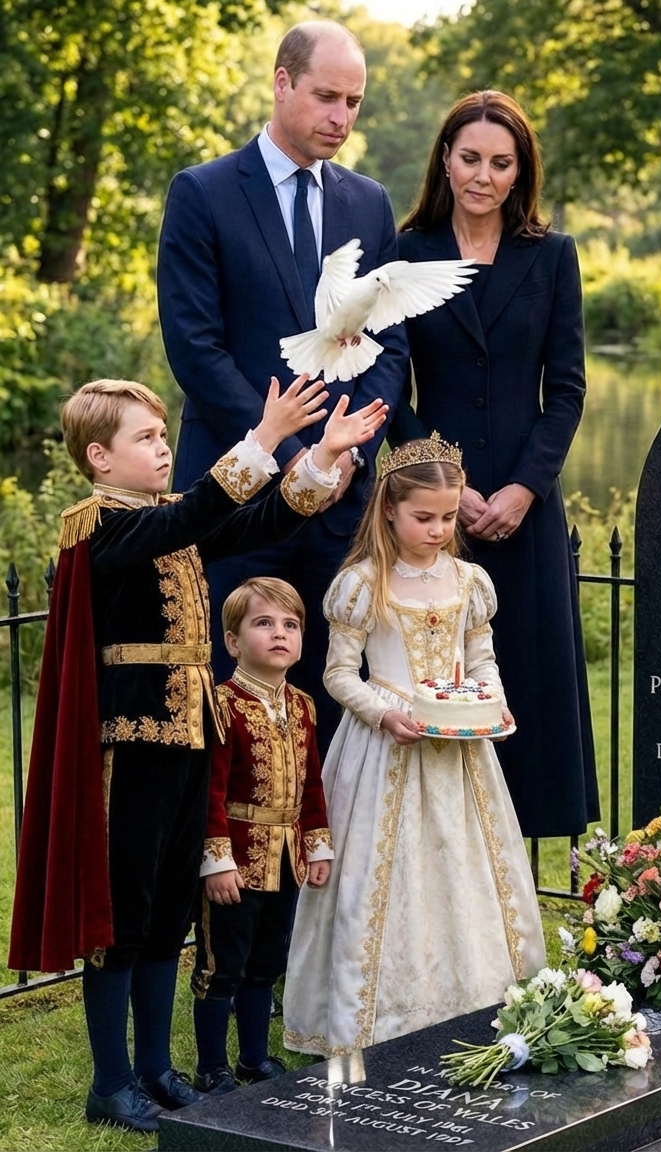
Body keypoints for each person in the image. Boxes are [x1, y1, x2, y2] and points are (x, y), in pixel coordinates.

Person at [7, 376, 387, 1134]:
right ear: (99, 457)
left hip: (188, 741)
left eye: (162, 434)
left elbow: (255, 521)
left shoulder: (166, 520)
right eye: (145, 438)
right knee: (123, 918)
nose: (162, 448)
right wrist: (264, 437)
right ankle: (111, 1084)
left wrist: (320, 459)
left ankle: (156, 1070)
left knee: (165, 916)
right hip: (131, 749)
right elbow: (199, 511)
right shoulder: (99, 525)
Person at [157, 18, 408, 752]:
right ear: (281, 82)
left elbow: (390, 344)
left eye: (354, 102)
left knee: (336, 700)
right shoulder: (203, 192)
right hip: (235, 496)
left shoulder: (370, 202)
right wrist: (299, 456)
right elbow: (196, 349)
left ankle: (327, 832)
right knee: (223, 704)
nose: (341, 117)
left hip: (341, 502)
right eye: (327, 97)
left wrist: (347, 451)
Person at [282, 435, 546, 1055]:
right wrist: (383, 712)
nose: (438, 530)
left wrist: (489, 700)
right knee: (381, 874)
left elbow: (481, 659)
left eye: (448, 518)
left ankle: (474, 1000)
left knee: (464, 864)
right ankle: (380, 1012)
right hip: (384, 749)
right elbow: (338, 674)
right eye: (424, 517)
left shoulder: (470, 581)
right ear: (388, 510)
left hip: (458, 752)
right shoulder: (362, 584)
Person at [389, 90, 598, 839]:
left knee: (528, 676)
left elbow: (567, 389)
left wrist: (523, 488)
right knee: (435, 676)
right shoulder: (405, 253)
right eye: (470, 158)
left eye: (500, 163)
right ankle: (440, 850)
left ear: (521, 171)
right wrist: (447, 482)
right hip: (430, 506)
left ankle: (520, 863)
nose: (483, 176)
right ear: (445, 160)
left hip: (523, 507)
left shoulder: (552, 256)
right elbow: (390, 388)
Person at [191, 577, 332, 1096]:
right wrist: (216, 861)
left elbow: (312, 784)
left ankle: (253, 1058)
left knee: (266, 962)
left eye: (291, 625)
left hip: (287, 858)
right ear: (232, 641)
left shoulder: (303, 706)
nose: (279, 634)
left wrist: (317, 846)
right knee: (222, 964)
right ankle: (212, 1068)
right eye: (264, 623)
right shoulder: (222, 705)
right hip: (236, 860)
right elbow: (210, 789)